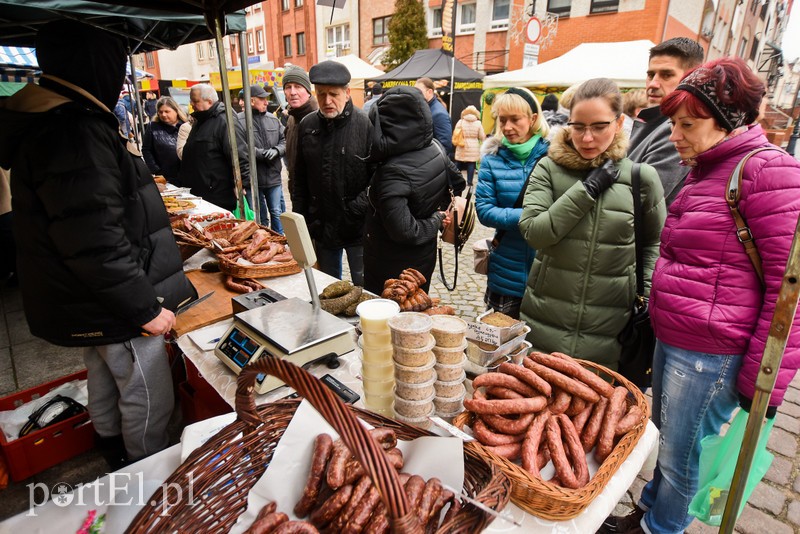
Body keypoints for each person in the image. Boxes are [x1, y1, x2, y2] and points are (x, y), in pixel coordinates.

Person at [601, 57, 800, 534]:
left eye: (688, 124)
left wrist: (762, 381)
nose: (675, 135)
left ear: (729, 121)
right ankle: (650, 511)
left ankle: (661, 528)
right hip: (679, 336)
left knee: (683, 451)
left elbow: (789, 291)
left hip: (711, 352)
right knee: (670, 440)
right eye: (673, 124)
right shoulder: (707, 167)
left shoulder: (767, 171)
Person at [0, 20, 196, 468]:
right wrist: (143, 308)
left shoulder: (55, 118)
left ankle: (111, 446)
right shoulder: (75, 129)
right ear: (94, 66)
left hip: (86, 298)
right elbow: (94, 240)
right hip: (113, 301)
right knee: (146, 391)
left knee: (104, 375)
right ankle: (149, 469)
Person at [518, 78, 666, 368]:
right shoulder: (548, 168)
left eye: (599, 126)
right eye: (578, 127)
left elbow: (654, 242)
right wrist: (587, 191)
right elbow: (534, 233)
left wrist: (645, 295)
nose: (587, 138)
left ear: (619, 122)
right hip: (546, 319)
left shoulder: (641, 178)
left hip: (611, 327)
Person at [362, 87, 462, 295]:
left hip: (392, 266)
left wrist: (436, 218)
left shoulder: (391, 171)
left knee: (388, 322)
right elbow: (458, 183)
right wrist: (432, 208)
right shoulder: (434, 146)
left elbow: (405, 231)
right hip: (423, 257)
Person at [292, 60, 372, 286]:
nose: (327, 101)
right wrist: (301, 221)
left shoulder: (364, 123)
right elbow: (299, 178)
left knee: (364, 286)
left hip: (356, 225)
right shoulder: (308, 125)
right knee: (328, 286)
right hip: (322, 224)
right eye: (321, 94)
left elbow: (378, 178)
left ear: (347, 93)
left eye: (334, 94)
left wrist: (355, 209)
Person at [475, 88, 550, 319]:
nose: (507, 127)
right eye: (502, 120)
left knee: (540, 348)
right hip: (506, 269)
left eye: (515, 119)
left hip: (547, 271)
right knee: (500, 343)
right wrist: (531, 217)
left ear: (533, 119)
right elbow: (485, 211)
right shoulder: (492, 160)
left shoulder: (554, 157)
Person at [628, 37, 704, 205]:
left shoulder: (676, 130)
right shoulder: (655, 121)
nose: (653, 84)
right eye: (650, 74)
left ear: (691, 79)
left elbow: (639, 201)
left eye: (666, 75)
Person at [235, 84, 286, 234]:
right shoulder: (238, 121)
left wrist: (277, 150)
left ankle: (279, 240)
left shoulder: (273, 119)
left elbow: (284, 140)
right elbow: (240, 146)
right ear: (251, 101)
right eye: (262, 99)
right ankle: (263, 240)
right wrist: (261, 153)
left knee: (277, 212)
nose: (266, 102)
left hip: (273, 176)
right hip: (252, 178)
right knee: (259, 216)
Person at [178, 84, 237, 211]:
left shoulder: (224, 120)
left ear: (209, 101)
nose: (192, 105)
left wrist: (243, 186)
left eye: (195, 101)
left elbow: (237, 157)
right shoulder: (200, 121)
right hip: (199, 194)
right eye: (191, 101)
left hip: (216, 197)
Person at [282, 65, 318, 193]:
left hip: (315, 197)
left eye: (298, 86)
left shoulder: (320, 118)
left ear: (308, 91)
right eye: (288, 87)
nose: (292, 92)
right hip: (296, 192)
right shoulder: (292, 118)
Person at [142, 96, 187, 182]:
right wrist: (156, 170)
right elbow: (146, 150)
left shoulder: (186, 126)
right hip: (165, 176)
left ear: (176, 111)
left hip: (186, 174)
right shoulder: (153, 127)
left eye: (167, 111)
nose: (163, 114)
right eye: (160, 112)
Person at [415, 77, 453, 157]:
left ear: (430, 92)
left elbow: (445, 145)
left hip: (433, 163)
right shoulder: (428, 108)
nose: (416, 95)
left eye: (419, 92)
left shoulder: (438, 113)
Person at [453, 105, 486, 187]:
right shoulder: (478, 123)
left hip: (462, 144)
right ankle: (470, 182)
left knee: (458, 162)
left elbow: (455, 133)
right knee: (471, 163)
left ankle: (456, 179)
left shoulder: (460, 121)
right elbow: (482, 136)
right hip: (473, 146)